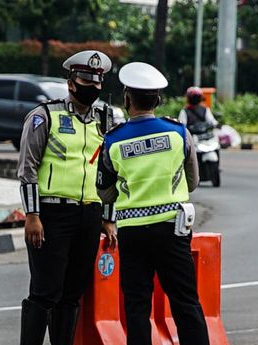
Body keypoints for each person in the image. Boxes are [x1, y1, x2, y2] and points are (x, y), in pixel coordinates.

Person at [95, 62, 210, 345]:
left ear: (127, 99)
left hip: (133, 233)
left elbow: (104, 192)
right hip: (173, 229)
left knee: (136, 305)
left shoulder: (113, 141)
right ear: (158, 99)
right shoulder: (178, 133)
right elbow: (192, 181)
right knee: (185, 301)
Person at [17, 50, 117, 345]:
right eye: (86, 81)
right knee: (46, 291)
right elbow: (28, 168)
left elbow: (109, 174)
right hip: (50, 215)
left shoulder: (104, 120)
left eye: (97, 83)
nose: (93, 88)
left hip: (88, 216)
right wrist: (32, 215)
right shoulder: (44, 115)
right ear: (71, 82)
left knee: (73, 293)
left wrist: (108, 218)